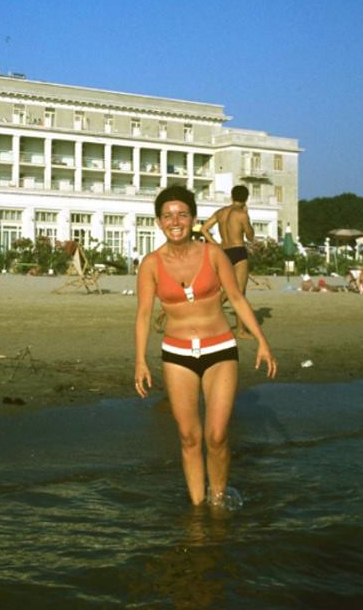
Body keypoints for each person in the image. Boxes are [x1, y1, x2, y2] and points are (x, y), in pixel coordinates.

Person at [135, 185, 277, 506]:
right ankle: (198, 508)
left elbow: (237, 298)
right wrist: (140, 361)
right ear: (159, 222)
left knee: (216, 436)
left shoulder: (213, 254)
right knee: (188, 437)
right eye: (168, 215)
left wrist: (262, 341)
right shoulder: (151, 264)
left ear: (193, 219)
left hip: (220, 349)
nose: (175, 221)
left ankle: (218, 499)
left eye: (182, 214)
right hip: (177, 354)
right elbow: (144, 315)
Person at [201, 185, 255, 339]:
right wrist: (247, 216)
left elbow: (204, 229)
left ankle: (240, 329)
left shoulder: (221, 212)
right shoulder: (241, 214)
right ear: (246, 198)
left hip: (224, 252)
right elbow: (250, 236)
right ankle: (207, 311)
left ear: (231, 196)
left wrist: (215, 244)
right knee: (238, 293)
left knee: (237, 292)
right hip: (238, 251)